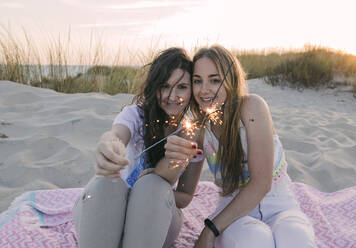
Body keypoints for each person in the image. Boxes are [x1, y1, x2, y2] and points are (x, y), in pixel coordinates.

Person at [165, 45, 316, 248]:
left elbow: (261, 183)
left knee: (294, 238)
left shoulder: (252, 107)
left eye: (215, 79)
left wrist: (210, 229)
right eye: (197, 81)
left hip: (281, 208)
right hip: (233, 217)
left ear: (231, 80)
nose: (204, 89)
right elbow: (184, 196)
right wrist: (144, 187)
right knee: (256, 240)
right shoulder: (200, 130)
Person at [72, 47, 204, 248]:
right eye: (165, 86)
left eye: (182, 87)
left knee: (152, 186)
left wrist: (145, 194)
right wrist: (108, 146)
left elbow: (185, 196)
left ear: (192, 90)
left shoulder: (191, 134)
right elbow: (116, 135)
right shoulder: (135, 115)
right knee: (107, 183)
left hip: (155, 213)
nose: (172, 96)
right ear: (154, 87)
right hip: (111, 206)